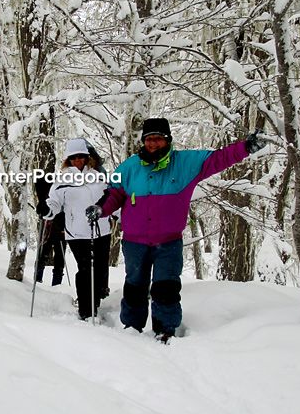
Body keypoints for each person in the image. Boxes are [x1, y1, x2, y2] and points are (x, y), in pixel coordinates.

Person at [86, 118, 267, 343]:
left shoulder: (185, 164)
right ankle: (131, 327)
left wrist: (246, 148)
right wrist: (100, 209)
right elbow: (114, 193)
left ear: (168, 140)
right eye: (149, 139)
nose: (153, 144)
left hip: (168, 242)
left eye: (158, 139)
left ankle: (165, 329)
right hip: (134, 242)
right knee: (134, 286)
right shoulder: (130, 167)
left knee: (166, 287)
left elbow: (219, 158)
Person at [43, 138, 112, 320]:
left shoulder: (98, 176)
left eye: (81, 157)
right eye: (74, 158)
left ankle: (95, 302)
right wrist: (47, 209)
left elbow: (112, 201)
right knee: (85, 269)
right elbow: (54, 203)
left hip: (102, 230)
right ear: (68, 159)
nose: (78, 161)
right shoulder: (62, 179)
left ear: (87, 157)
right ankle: (85, 309)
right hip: (76, 232)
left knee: (99, 269)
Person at [34, 178, 67, 286]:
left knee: (59, 257)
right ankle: (37, 280)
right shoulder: (48, 192)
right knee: (43, 254)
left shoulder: (61, 192)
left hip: (60, 229)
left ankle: (56, 284)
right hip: (49, 229)